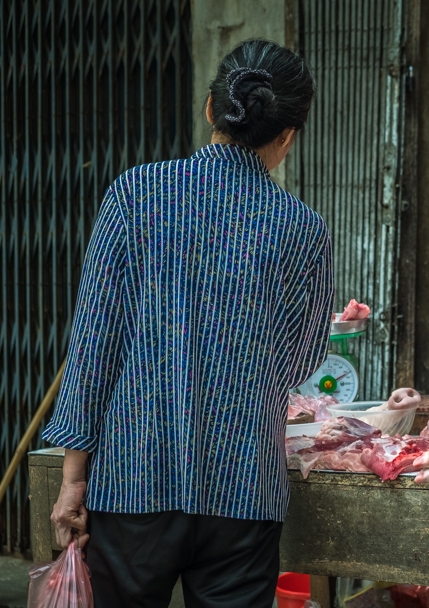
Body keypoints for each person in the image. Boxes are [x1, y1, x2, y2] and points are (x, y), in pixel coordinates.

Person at [43, 39, 334, 608]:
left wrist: (73, 477)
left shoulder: (135, 194)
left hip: (132, 480)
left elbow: (92, 343)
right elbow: (299, 360)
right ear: (288, 136)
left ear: (209, 109)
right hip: (244, 491)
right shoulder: (302, 227)